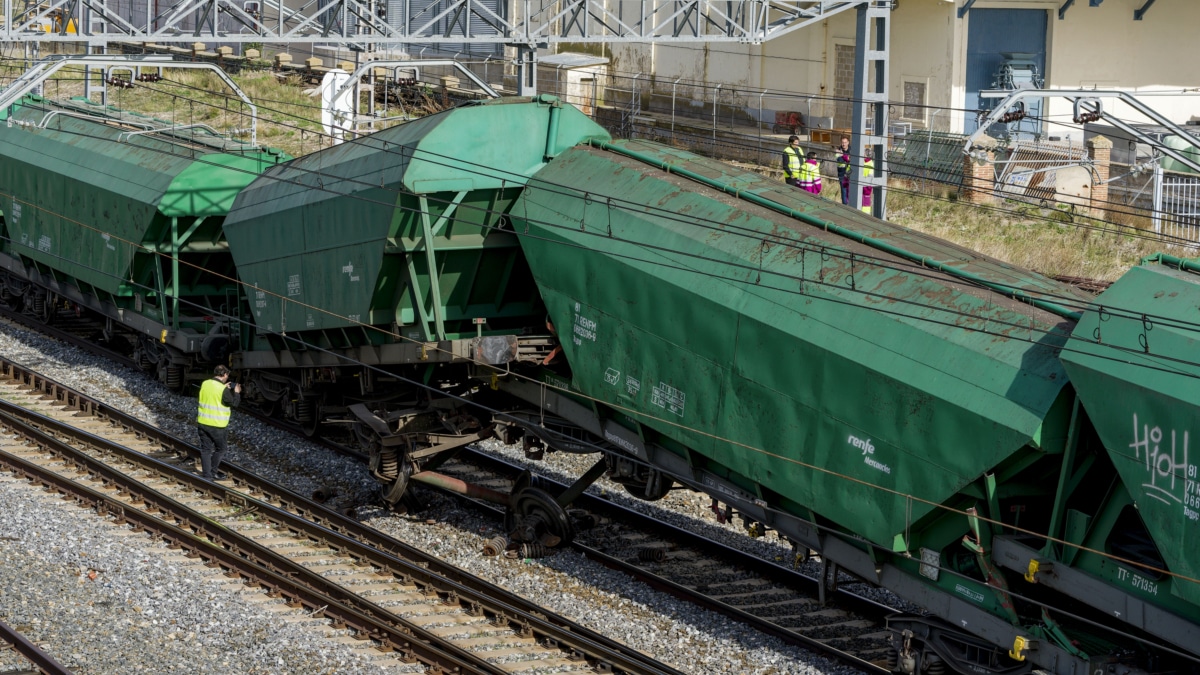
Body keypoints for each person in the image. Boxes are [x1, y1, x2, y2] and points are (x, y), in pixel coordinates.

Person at [197, 364, 241, 481]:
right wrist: (236, 392)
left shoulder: (205, 383)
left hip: (203, 423)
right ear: (225, 375)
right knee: (220, 449)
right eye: (227, 375)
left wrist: (224, 388)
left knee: (206, 450)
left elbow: (213, 393)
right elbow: (234, 403)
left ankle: (207, 476)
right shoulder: (222, 390)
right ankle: (213, 472)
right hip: (217, 426)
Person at [835, 135, 852, 204]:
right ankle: (845, 206)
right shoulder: (838, 151)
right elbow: (841, 160)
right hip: (842, 175)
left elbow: (850, 160)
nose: (844, 144)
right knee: (844, 192)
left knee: (851, 192)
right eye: (842, 142)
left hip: (851, 175)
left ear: (848, 142)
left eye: (845, 142)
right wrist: (847, 158)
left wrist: (843, 156)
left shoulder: (852, 150)